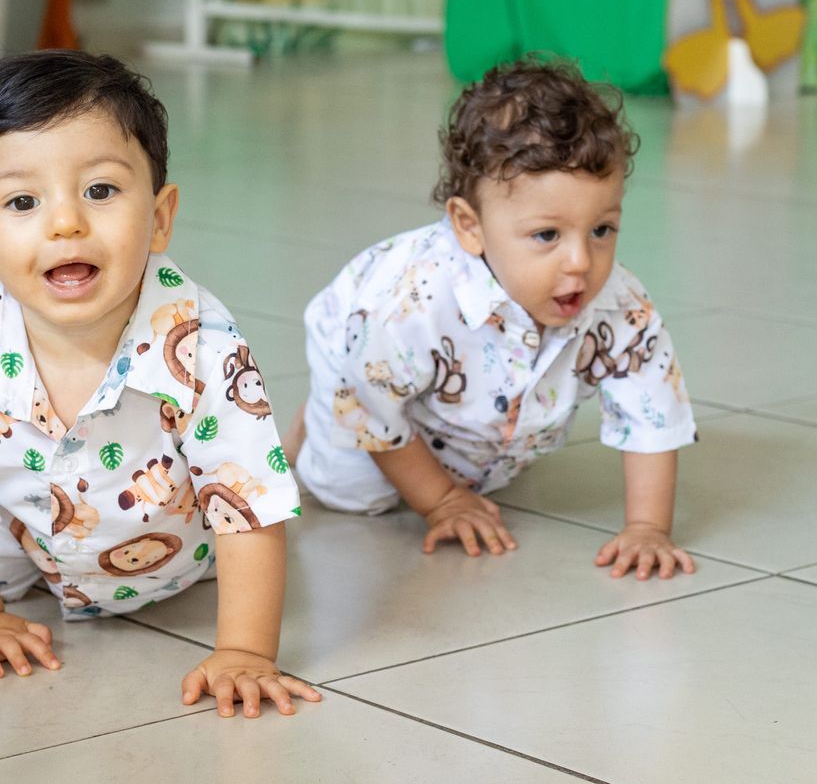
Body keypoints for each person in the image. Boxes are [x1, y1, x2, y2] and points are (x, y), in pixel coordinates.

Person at [0, 50, 319, 720]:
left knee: (246, 518)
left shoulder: (203, 348)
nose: (65, 224)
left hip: (173, 548)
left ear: (161, 216)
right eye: (23, 202)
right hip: (24, 525)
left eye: (101, 191)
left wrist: (247, 651)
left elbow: (248, 505)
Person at [285, 58, 700, 581]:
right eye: (548, 235)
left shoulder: (620, 306)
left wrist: (648, 527)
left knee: (481, 468)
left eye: (602, 229)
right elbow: (368, 405)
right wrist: (441, 501)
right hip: (363, 359)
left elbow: (651, 412)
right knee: (352, 492)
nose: (580, 262)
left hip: (459, 390)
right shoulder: (412, 302)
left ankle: (441, 450)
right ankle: (311, 425)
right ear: (469, 226)